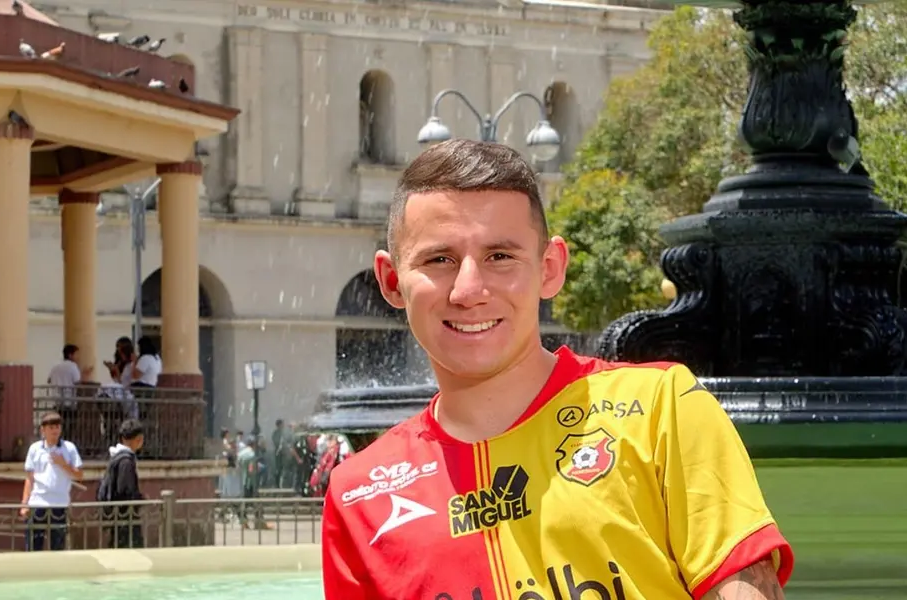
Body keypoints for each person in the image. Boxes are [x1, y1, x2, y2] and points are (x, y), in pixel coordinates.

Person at [321, 140, 793, 599]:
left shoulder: (660, 410)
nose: (468, 289)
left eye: (500, 256)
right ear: (391, 281)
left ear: (550, 267)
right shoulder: (357, 494)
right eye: (439, 260)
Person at [21, 411, 83, 551]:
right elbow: (30, 478)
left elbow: (79, 476)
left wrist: (63, 464)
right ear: (43, 430)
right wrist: (25, 503)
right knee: (33, 547)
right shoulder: (35, 449)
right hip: (37, 503)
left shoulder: (69, 448)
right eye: (51, 427)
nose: (55, 431)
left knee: (58, 548)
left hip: (59, 504)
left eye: (57, 427)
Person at [97, 419, 145, 548]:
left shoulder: (117, 457)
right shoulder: (126, 461)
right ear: (139, 439)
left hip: (118, 517)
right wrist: (138, 499)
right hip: (125, 518)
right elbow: (124, 490)